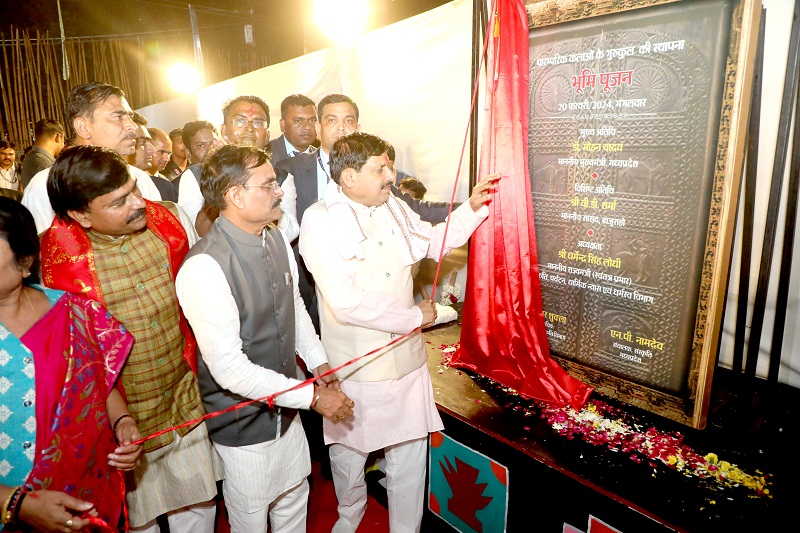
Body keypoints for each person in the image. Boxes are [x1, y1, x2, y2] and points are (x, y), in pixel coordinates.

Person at [299, 132, 498, 533]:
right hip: (358, 367)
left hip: (406, 360)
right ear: (349, 177)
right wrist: (412, 317)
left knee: (409, 457)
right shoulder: (319, 219)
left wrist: (472, 209)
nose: (391, 176)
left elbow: (433, 240)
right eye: (380, 169)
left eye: (388, 167)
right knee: (350, 456)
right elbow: (346, 302)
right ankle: (349, 518)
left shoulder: (392, 204)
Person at [39, 145, 223, 533]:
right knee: (140, 520)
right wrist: (117, 418)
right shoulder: (50, 262)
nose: (140, 203)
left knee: (198, 507)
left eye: (134, 188)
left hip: (182, 396)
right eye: (120, 201)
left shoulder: (169, 220)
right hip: (120, 422)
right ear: (81, 215)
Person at [176, 145, 354, 532]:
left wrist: (319, 363)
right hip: (243, 426)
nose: (280, 191)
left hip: (288, 414)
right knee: (251, 518)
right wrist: (312, 397)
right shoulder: (204, 266)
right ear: (236, 196)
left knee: (294, 501)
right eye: (269, 184)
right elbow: (229, 370)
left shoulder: (274, 237)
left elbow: (295, 309)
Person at [0, 198, 142, 532]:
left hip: (84, 499)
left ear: (25, 262)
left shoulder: (73, 311)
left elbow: (96, 383)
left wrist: (122, 422)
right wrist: (16, 504)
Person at [21, 82, 162, 234]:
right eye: (118, 117)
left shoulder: (141, 179)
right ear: (83, 127)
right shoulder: (44, 187)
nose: (132, 126)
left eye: (130, 117)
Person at [268, 94, 318, 165]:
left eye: (312, 120)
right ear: (283, 125)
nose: (307, 127)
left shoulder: (323, 158)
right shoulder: (265, 155)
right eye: (298, 121)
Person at [21, 118, 65, 188]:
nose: (63, 146)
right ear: (58, 137)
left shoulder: (29, 159)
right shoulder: (47, 165)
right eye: (63, 141)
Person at [146, 127, 178, 202]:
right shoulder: (133, 179)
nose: (167, 159)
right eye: (161, 152)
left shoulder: (166, 183)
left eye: (168, 153)